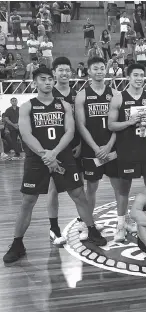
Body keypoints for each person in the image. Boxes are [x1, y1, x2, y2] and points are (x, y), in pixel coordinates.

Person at [3, 67, 106, 264]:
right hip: (37, 159)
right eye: (43, 79)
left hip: (63, 155)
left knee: (79, 195)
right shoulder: (28, 106)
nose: (48, 82)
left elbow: (69, 131)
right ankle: (17, 244)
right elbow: (26, 134)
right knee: (28, 201)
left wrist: (55, 153)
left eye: (50, 79)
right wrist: (45, 154)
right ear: (35, 83)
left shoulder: (64, 105)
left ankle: (91, 230)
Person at [75, 56, 127, 242]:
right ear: (89, 71)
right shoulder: (82, 95)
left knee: (118, 187)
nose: (99, 71)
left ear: (106, 70)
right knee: (91, 187)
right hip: (92, 150)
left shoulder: (115, 94)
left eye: (102, 68)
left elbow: (119, 122)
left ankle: (121, 224)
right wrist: (97, 148)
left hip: (112, 148)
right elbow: (81, 125)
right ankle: (88, 224)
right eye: (95, 68)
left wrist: (109, 145)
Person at [108, 64, 146, 197]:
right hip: (126, 150)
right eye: (135, 75)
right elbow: (111, 126)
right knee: (124, 189)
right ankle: (122, 218)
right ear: (128, 78)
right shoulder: (118, 99)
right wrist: (129, 122)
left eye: (142, 75)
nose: (139, 78)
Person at [45, 57, 80, 246]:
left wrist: (81, 143)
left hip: (75, 148)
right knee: (53, 188)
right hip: (55, 149)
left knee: (78, 187)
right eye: (61, 70)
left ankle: (83, 221)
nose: (65, 73)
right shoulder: (48, 93)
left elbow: (81, 123)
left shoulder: (76, 94)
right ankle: (53, 228)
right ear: (54, 72)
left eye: (67, 70)